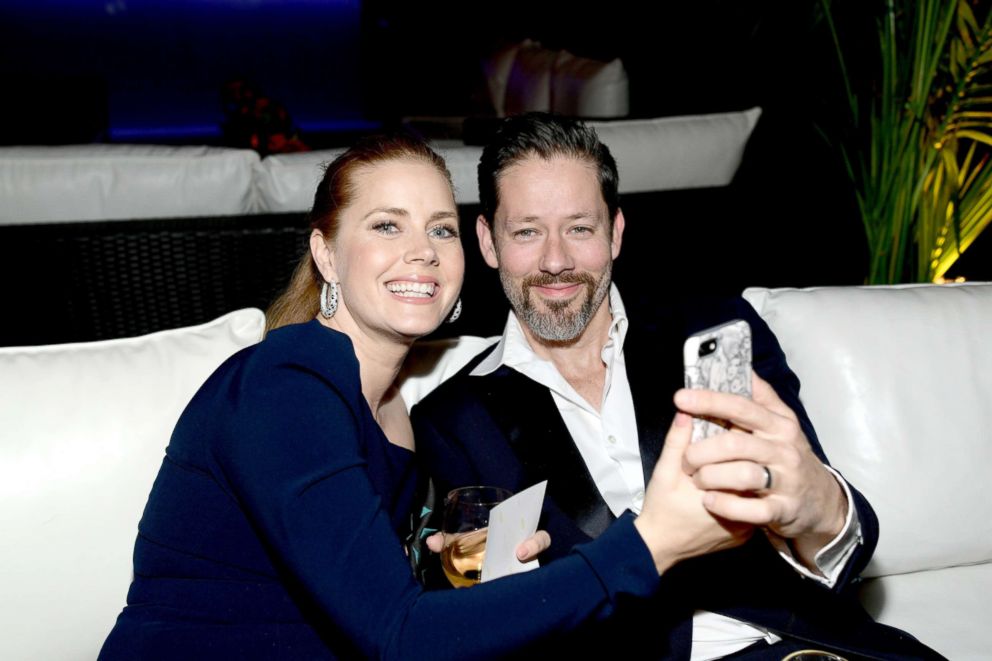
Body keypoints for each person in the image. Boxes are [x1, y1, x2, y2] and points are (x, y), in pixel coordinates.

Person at [99, 134, 759, 660]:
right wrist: (649, 543)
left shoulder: (401, 422)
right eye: (388, 226)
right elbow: (402, 636)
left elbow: (367, 593)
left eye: (441, 229)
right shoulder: (285, 384)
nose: (422, 252)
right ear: (327, 255)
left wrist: (440, 569)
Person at [411, 114, 943, 660]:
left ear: (615, 232)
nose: (556, 261)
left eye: (579, 227)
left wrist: (821, 504)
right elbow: (478, 613)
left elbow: (844, 548)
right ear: (488, 241)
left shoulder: (715, 330)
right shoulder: (452, 420)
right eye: (527, 231)